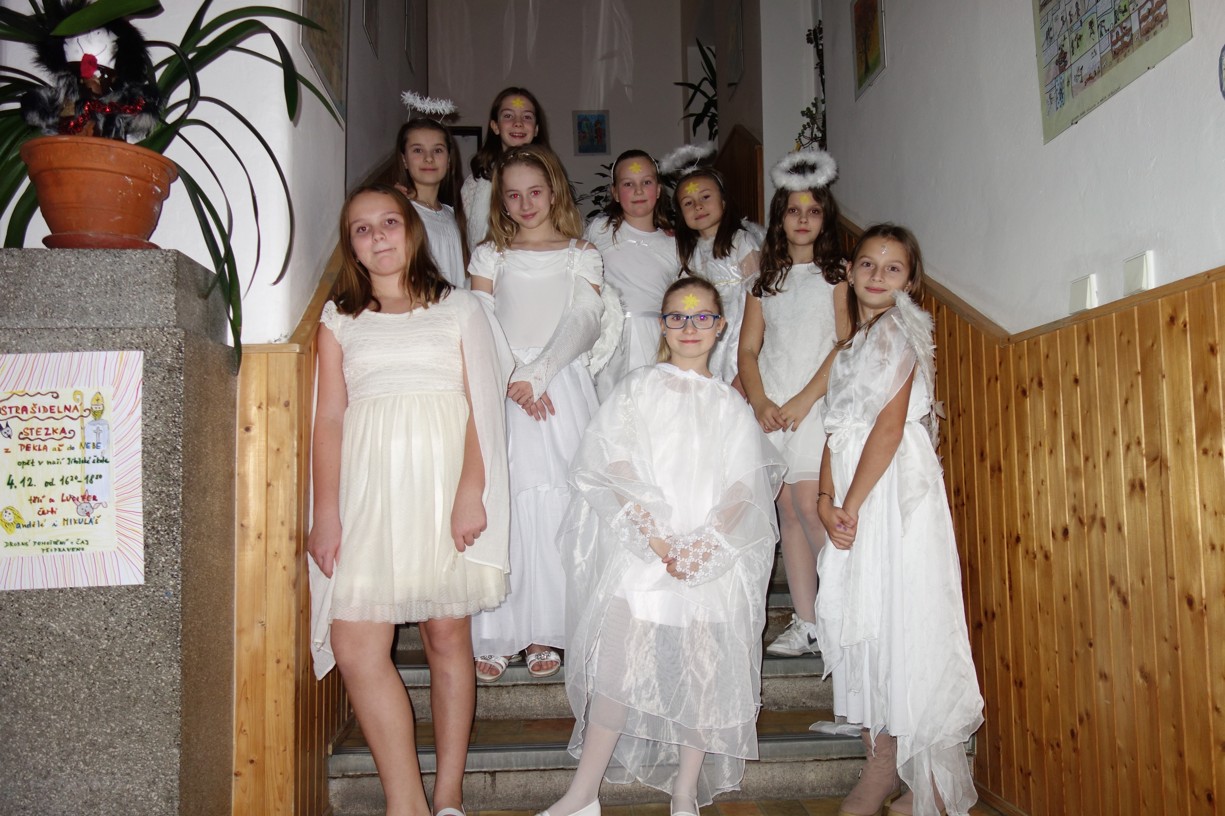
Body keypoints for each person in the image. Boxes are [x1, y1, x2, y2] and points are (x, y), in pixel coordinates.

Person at [544, 276, 784, 816]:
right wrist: (656, 538)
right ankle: (583, 794)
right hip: (645, 552)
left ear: (721, 326)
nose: (690, 327)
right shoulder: (640, 387)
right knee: (616, 670)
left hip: (705, 560)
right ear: (663, 325)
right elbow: (614, 461)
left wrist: (705, 544)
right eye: (677, 316)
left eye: (702, 317)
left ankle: (685, 791)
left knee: (702, 675)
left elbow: (745, 486)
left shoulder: (730, 404)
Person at [307, 184, 513, 816]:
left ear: (412, 231)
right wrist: (325, 512)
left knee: (446, 636)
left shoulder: (460, 308)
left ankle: (447, 795)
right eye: (362, 229)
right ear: (351, 246)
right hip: (369, 496)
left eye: (389, 222)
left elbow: (484, 405)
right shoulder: (339, 320)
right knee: (355, 645)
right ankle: (407, 803)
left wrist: (472, 490)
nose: (378, 236)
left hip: (444, 488)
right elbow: (329, 419)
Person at [814, 225, 983, 816]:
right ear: (850, 270)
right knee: (864, 620)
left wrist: (852, 504)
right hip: (855, 487)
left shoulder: (900, 331)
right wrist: (824, 500)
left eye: (893, 268)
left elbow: (887, 427)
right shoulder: (851, 345)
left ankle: (909, 772)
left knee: (897, 620)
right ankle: (881, 758)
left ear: (910, 281)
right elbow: (837, 429)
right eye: (868, 263)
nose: (878, 276)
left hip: (888, 493)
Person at [468, 144, 604, 683]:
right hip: (502, 386)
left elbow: (586, 317)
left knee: (557, 506)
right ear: (501, 201)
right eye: (513, 195)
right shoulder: (490, 255)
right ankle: (500, 630)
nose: (525, 204)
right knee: (506, 503)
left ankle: (547, 629)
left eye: (535, 192)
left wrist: (539, 373)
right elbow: (480, 321)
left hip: (559, 385)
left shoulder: (581, 253)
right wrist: (510, 377)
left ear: (554, 192)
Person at [737, 149, 849, 658]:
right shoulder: (764, 281)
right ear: (779, 218)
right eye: (792, 211)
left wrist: (805, 400)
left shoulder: (837, 276)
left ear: (825, 218)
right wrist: (760, 399)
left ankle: (843, 605)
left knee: (810, 503)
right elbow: (748, 349)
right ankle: (808, 622)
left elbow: (844, 343)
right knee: (785, 506)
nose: (803, 219)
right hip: (773, 405)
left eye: (813, 211)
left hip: (814, 401)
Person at [583, 149, 680, 400]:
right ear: (615, 192)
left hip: (654, 340)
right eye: (628, 184)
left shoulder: (674, 244)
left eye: (646, 182)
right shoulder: (600, 230)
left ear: (658, 190)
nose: (638, 191)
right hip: (609, 338)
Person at [673, 167, 761, 389]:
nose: (698, 206)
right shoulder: (690, 254)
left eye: (705, 197)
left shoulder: (741, 241)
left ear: (723, 201)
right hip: (705, 334)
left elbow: (759, 295)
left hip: (739, 334)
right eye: (688, 203)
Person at [461, 86, 550, 252]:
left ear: (536, 128)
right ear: (495, 126)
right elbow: (465, 238)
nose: (518, 123)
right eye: (508, 116)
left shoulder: (550, 177)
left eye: (527, 117)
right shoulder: (475, 183)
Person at [395, 113, 470, 289]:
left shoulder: (452, 213)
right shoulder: (401, 213)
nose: (428, 158)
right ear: (404, 160)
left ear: (449, 160)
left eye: (437, 150)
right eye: (418, 150)